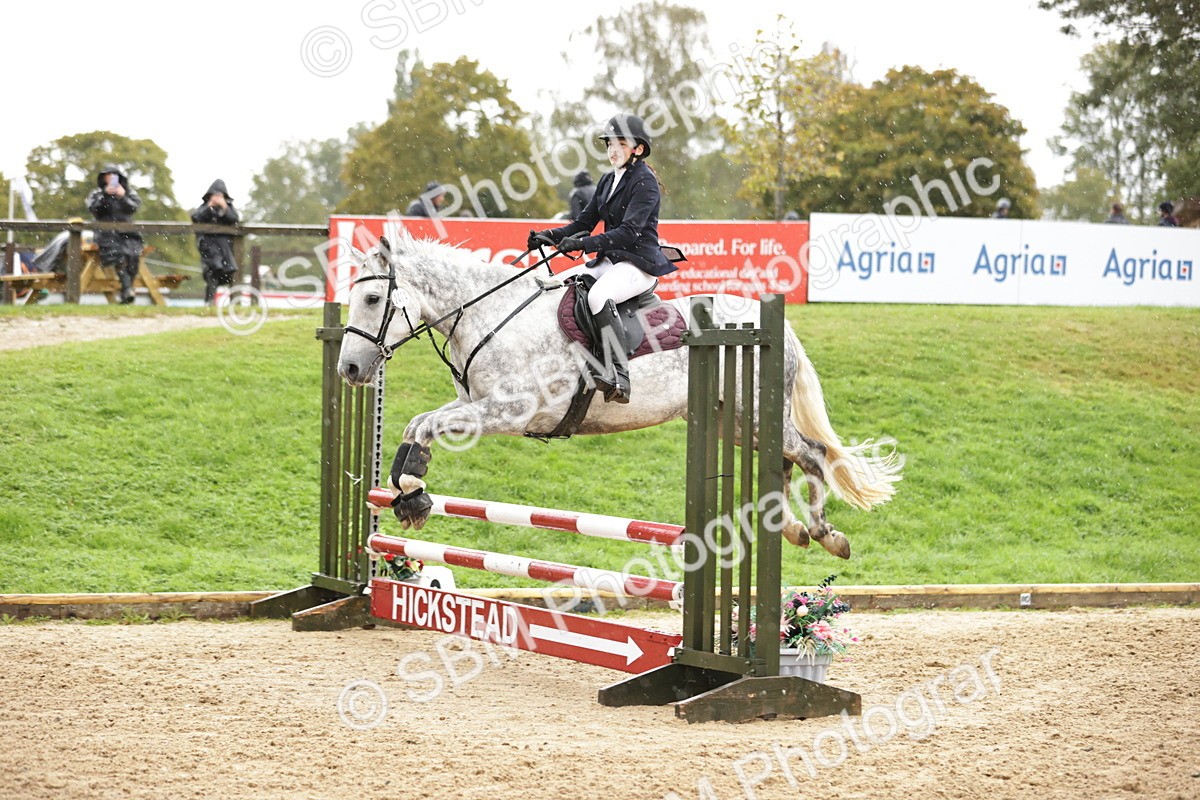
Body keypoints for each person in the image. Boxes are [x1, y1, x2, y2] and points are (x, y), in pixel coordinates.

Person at [527, 114, 677, 405]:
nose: (613, 150)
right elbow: (583, 221)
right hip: (612, 261)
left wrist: (583, 243)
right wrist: (550, 235)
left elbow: (628, 233)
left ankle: (618, 375)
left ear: (638, 149)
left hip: (638, 264)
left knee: (598, 297)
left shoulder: (645, 182)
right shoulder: (608, 179)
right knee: (554, 286)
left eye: (621, 143)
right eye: (610, 143)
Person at [87, 164, 143, 303]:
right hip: (105, 233)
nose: (110, 178)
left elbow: (132, 208)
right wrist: (106, 196)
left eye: (113, 175)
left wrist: (122, 197)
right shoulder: (97, 194)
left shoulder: (129, 193)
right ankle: (127, 288)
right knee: (117, 255)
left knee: (133, 255)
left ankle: (127, 291)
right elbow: (95, 210)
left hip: (127, 232)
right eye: (107, 175)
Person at [191, 179, 240, 305]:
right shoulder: (204, 208)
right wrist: (209, 206)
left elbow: (234, 218)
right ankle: (210, 302)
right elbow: (196, 218)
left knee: (227, 273)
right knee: (212, 272)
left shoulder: (228, 209)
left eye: (220, 195)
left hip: (225, 249)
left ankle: (232, 302)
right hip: (209, 248)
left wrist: (224, 206)